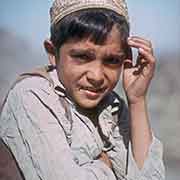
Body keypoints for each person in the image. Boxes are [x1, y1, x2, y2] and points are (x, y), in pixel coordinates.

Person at [0, 0, 165, 179]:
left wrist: (137, 100)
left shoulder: (112, 106)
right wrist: (105, 167)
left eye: (111, 60)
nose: (96, 76)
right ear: (52, 53)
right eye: (82, 57)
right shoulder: (32, 95)